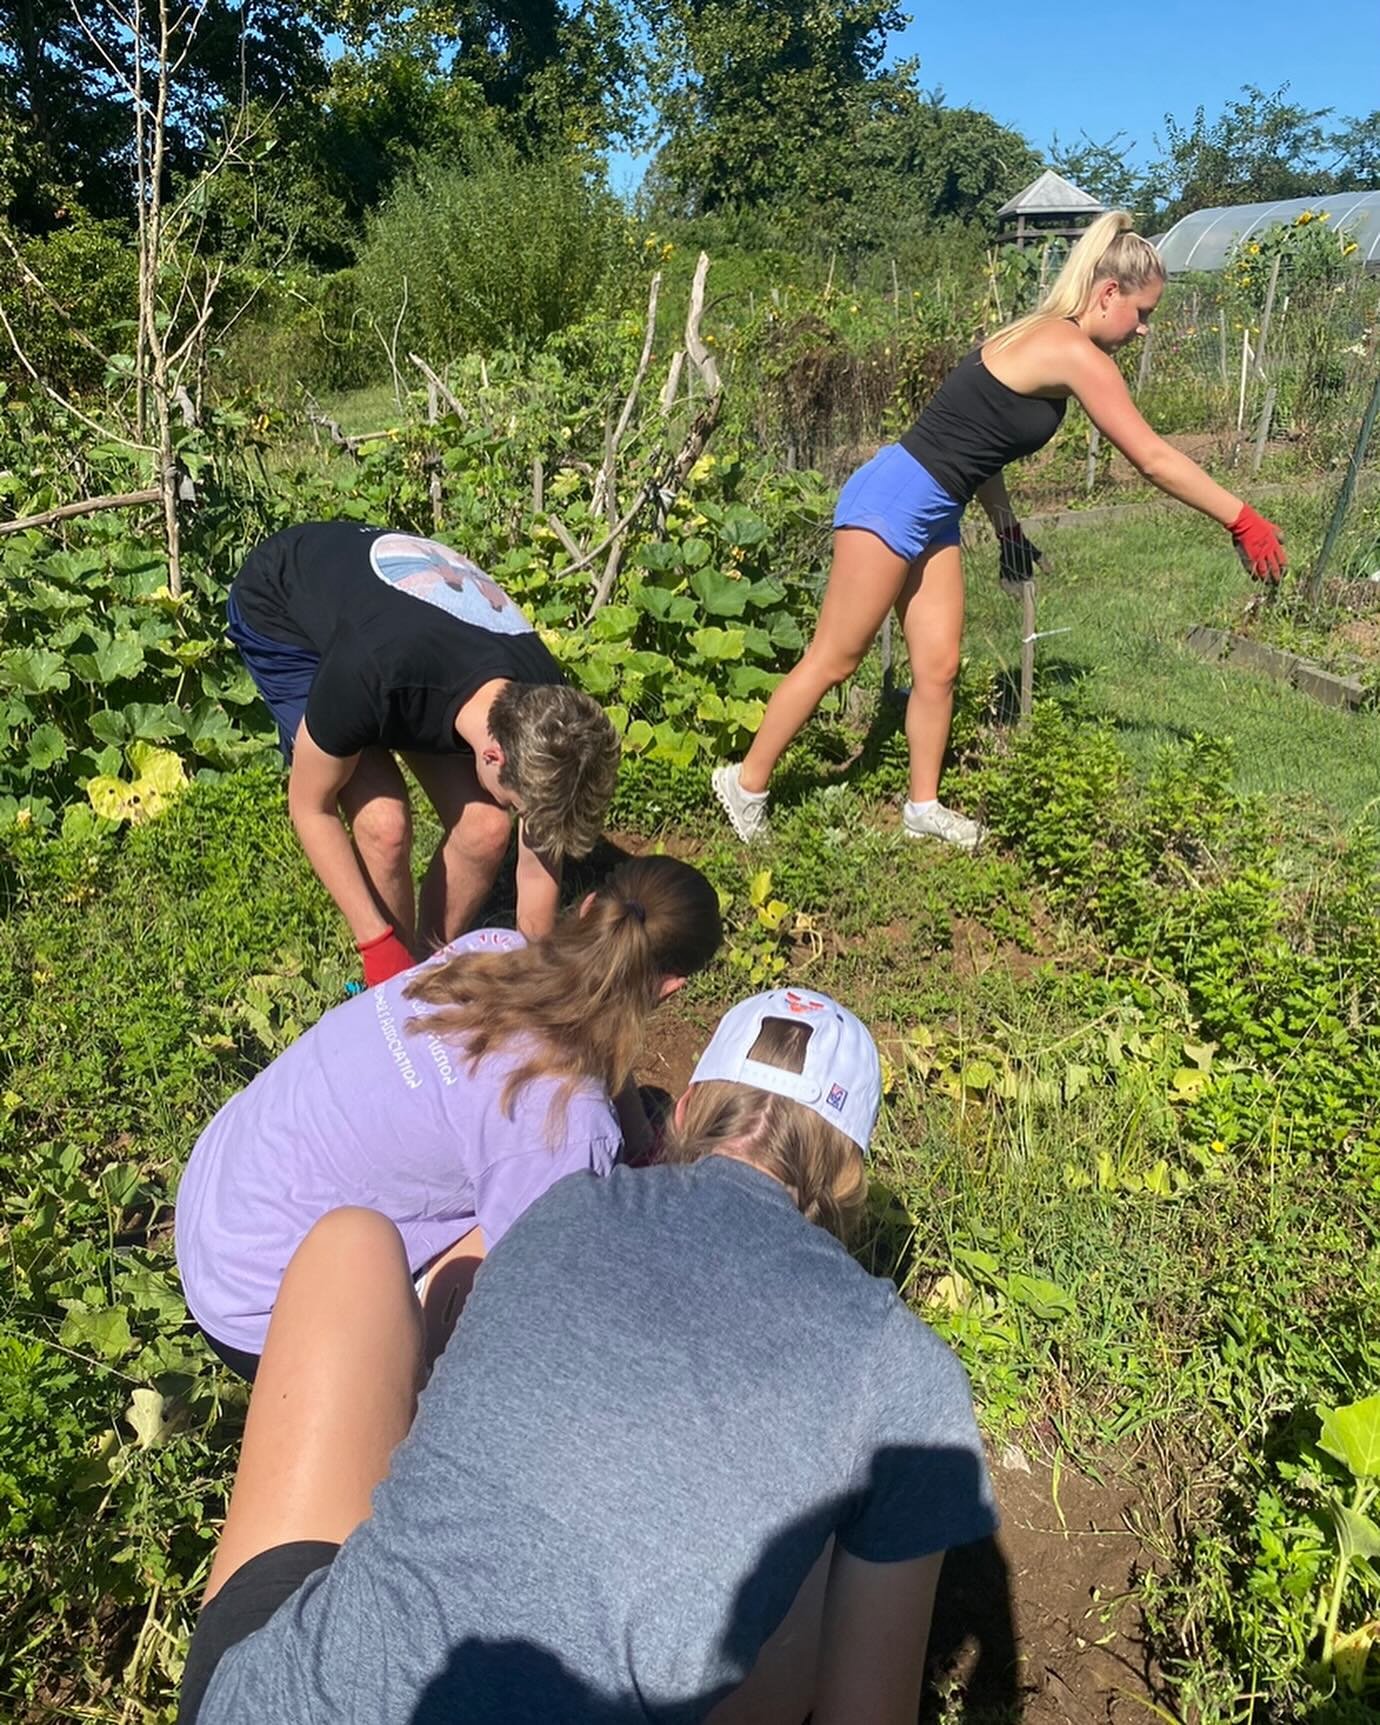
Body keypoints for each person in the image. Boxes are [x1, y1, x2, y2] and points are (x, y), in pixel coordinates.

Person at [177, 986, 997, 1725]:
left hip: (275, 1700)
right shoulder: (901, 1371)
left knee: (349, 1245)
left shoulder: (565, 1202)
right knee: (817, 1520)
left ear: (684, 1112)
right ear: (849, 1178)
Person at [712, 211, 1288, 853]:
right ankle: (745, 784)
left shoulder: (1043, 336)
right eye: (1142, 311)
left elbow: (979, 448)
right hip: (895, 500)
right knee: (837, 658)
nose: (1145, 327)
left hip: (935, 508)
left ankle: (922, 807)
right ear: (1107, 294)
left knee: (938, 666)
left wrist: (1006, 527)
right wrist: (1241, 515)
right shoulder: (1074, 353)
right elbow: (1151, 458)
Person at [174, 855, 723, 1377]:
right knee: (546, 1257)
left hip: (214, 1208)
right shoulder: (565, 1123)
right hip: (262, 1317)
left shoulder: (489, 949)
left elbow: (593, 1041)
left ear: (589, 907)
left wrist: (634, 1131)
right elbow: (536, 1296)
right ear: (672, 987)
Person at [226, 523, 622, 984]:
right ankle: (388, 981)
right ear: (494, 756)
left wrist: (539, 972)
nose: (518, 814)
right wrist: (377, 945)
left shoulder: (548, 716)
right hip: (285, 613)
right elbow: (310, 808)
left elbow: (537, 862)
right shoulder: (372, 669)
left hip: (406, 641)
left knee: (486, 830)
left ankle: (422, 973)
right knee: (384, 826)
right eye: (520, 805)